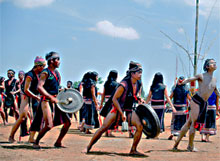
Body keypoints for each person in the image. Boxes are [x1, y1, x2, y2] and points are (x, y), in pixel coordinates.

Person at [84, 61, 145, 156]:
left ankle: (133, 149)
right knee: (103, 128)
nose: (140, 74)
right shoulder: (123, 84)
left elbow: (133, 95)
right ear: (132, 74)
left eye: (141, 72)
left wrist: (139, 98)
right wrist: (121, 113)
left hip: (128, 109)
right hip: (117, 109)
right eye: (139, 72)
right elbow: (114, 99)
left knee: (140, 126)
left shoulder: (138, 83)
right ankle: (88, 147)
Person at [173, 58, 220, 152]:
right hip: (197, 101)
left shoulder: (214, 80)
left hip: (204, 103)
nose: (214, 64)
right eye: (211, 63)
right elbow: (190, 79)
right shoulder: (201, 76)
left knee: (188, 123)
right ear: (207, 66)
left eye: (215, 63)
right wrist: (182, 82)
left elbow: (216, 91)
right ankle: (190, 146)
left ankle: (176, 144)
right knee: (193, 124)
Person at [33, 51, 71, 149]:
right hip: (46, 100)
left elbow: (54, 87)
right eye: (57, 59)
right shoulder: (45, 72)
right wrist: (50, 97)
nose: (59, 61)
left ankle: (58, 142)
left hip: (56, 99)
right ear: (51, 61)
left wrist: (61, 90)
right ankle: (36, 142)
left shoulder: (57, 73)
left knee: (68, 122)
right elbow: (39, 87)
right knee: (49, 125)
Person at [8, 57, 46, 143]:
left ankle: (31, 137)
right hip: (25, 96)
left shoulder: (39, 74)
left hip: (34, 96)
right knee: (22, 117)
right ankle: (11, 136)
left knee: (36, 116)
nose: (44, 68)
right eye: (43, 66)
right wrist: (36, 97)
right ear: (38, 66)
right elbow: (26, 90)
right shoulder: (30, 75)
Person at [99, 70, 118, 137]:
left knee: (106, 117)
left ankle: (106, 131)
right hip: (113, 102)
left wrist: (101, 104)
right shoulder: (116, 84)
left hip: (106, 102)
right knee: (112, 117)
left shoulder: (106, 83)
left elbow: (103, 94)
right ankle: (110, 132)